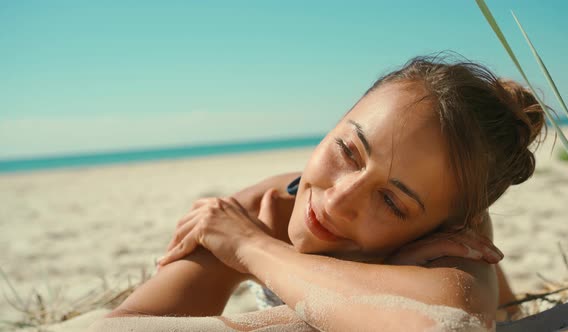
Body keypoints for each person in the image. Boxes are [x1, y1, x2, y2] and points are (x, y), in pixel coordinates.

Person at [98, 54, 544, 331]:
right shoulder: (264, 208)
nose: (337, 201)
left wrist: (251, 249)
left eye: (391, 201)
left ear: (449, 226)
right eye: (348, 150)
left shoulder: (457, 244)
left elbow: (450, 325)